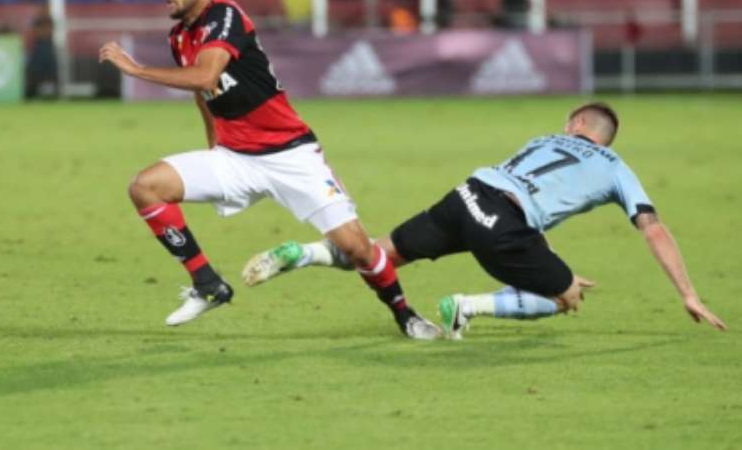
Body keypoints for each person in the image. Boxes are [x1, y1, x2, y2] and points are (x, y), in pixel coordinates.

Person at [98, 0, 438, 339]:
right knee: (146, 187)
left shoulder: (224, 16)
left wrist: (136, 70)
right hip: (236, 158)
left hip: (291, 155)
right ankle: (208, 284)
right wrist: (214, 143)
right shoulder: (179, 36)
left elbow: (205, 77)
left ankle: (405, 314)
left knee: (358, 250)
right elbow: (203, 93)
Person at [243, 102, 727, 339]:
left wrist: (546, 259)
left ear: (578, 124)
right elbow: (654, 229)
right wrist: (688, 293)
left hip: (467, 195)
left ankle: (302, 252)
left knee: (376, 254)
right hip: (503, 221)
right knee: (566, 297)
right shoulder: (619, 169)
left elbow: (524, 197)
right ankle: (466, 307)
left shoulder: (542, 140)